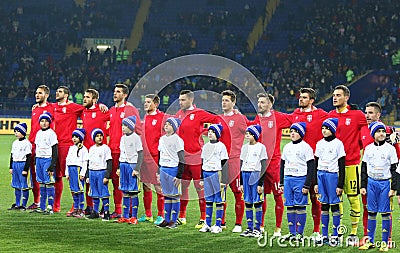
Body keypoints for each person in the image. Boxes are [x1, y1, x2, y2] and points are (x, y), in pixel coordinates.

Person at [175, 90, 226, 228]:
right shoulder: (178, 114)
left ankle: (203, 218)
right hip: (182, 158)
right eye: (179, 100)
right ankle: (182, 216)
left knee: (200, 187)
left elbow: (216, 120)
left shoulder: (199, 113)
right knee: (183, 187)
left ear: (191, 100)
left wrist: (207, 132)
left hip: (197, 157)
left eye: (183, 100)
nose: (180, 102)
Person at [328, 85, 367, 241]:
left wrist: (358, 148)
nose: (334, 97)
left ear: (346, 98)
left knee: (352, 198)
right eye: (333, 95)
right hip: (332, 166)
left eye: (338, 95)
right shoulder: (330, 115)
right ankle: (339, 231)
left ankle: (353, 232)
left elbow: (367, 134)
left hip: (351, 164)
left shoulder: (357, 115)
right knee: (337, 199)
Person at [252, 93, 292, 236]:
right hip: (259, 163)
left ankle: (278, 228)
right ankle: (260, 226)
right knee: (260, 195)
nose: (259, 105)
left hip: (274, 163)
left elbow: (295, 120)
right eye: (259, 102)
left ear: (269, 104)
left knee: (277, 196)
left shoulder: (278, 117)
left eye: (262, 102)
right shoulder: (257, 118)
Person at [291, 88, 328, 237]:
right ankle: (295, 232)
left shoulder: (320, 114)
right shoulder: (295, 114)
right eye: (300, 97)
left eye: (305, 97)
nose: (301, 99)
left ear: (311, 100)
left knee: (315, 197)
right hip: (296, 164)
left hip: (313, 162)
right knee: (296, 199)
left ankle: (316, 230)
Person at [359, 122, 398, 252]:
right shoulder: (368, 148)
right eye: (378, 131)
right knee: (371, 212)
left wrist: (394, 188)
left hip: (385, 184)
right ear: (373, 134)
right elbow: (363, 168)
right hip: (371, 183)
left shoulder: (390, 149)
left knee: (385, 213)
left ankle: (384, 242)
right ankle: (370, 241)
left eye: (383, 131)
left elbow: (395, 170)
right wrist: (362, 185)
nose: (381, 134)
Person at [108, 83, 142, 219]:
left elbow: (138, 130)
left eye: (118, 92)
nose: (115, 94)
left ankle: (129, 213)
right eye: (114, 91)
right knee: (115, 181)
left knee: (128, 183)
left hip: (127, 155)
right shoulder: (110, 110)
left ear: (125, 95)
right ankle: (118, 210)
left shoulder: (130, 109)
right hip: (113, 150)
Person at [279, 122, 314, 240]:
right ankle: (291, 233)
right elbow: (282, 165)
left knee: (300, 206)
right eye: (291, 131)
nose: (292, 133)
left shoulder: (306, 147)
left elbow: (311, 167)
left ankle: (300, 233)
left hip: (300, 179)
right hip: (288, 179)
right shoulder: (287, 147)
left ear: (301, 133)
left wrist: (307, 184)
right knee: (289, 206)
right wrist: (282, 182)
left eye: (295, 131)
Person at [52, 86, 85, 213]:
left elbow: (87, 110)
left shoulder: (73, 107)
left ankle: (75, 204)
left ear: (66, 95)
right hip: (55, 146)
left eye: (60, 92)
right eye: (56, 91)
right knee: (56, 176)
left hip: (68, 145)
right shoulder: (53, 107)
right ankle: (56, 205)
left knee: (72, 176)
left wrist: (100, 105)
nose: (57, 93)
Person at [314, 118, 346, 245]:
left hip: (332, 176)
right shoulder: (319, 144)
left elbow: (342, 165)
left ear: (332, 130)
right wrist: (316, 182)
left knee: (335, 205)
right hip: (321, 175)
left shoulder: (338, 144)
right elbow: (316, 163)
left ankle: (336, 235)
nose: (324, 130)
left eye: (327, 128)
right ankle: (324, 235)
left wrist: (340, 184)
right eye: (323, 128)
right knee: (324, 205)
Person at [219, 90, 247, 233]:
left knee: (237, 192)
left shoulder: (239, 118)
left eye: (227, 100)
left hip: (235, 160)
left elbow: (251, 131)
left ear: (233, 102)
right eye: (223, 100)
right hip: (221, 161)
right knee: (221, 192)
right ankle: (221, 222)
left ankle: (238, 224)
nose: (224, 102)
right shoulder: (218, 119)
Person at [81, 88, 110, 215]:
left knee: (102, 180)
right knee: (88, 179)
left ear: (94, 99)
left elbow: (114, 119)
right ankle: (90, 206)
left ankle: (105, 207)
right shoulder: (82, 111)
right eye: (84, 96)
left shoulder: (102, 110)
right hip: (87, 151)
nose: (84, 99)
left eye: (87, 97)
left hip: (101, 151)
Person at [138, 94, 165, 225]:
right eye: (145, 101)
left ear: (156, 104)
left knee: (158, 186)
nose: (146, 104)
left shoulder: (162, 118)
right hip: (144, 158)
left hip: (155, 157)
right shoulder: (144, 119)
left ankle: (161, 215)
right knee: (146, 186)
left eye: (148, 102)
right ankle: (148, 214)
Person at [198, 124, 229, 234]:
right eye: (209, 131)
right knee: (209, 200)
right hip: (206, 173)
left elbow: (225, 164)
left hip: (217, 174)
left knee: (219, 200)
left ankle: (218, 225)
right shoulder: (205, 146)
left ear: (218, 134)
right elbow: (202, 162)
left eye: (213, 132)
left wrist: (224, 181)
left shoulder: (221, 146)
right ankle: (207, 223)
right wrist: (201, 178)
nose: (210, 133)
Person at [28, 85, 54, 210]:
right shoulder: (34, 109)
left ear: (46, 95)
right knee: (34, 174)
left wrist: (99, 105)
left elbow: (66, 105)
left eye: (40, 93)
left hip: (46, 148)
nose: (37, 95)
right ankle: (37, 201)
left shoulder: (52, 107)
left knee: (49, 175)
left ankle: (52, 204)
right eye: (36, 93)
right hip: (32, 144)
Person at [156, 117, 185, 229]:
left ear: (174, 127)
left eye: (169, 124)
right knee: (167, 195)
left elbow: (181, 158)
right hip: (164, 168)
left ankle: (173, 220)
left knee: (174, 195)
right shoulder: (162, 139)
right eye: (166, 124)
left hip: (173, 169)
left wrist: (179, 175)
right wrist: (158, 171)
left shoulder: (177, 140)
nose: (166, 125)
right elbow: (160, 155)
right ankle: (166, 220)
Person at [239, 125, 267, 238]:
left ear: (255, 135)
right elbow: (241, 165)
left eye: (249, 134)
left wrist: (260, 183)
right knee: (248, 202)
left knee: (257, 202)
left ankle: (258, 228)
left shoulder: (261, 147)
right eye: (246, 134)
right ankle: (249, 227)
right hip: (245, 175)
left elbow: (264, 166)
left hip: (255, 175)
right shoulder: (244, 148)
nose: (247, 136)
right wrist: (241, 183)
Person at [114, 116, 143, 225]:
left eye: (125, 125)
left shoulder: (136, 138)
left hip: (132, 166)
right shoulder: (122, 138)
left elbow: (140, 154)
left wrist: (136, 169)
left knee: (133, 191)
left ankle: (134, 216)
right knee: (125, 191)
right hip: (123, 165)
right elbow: (121, 153)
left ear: (131, 127)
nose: (123, 127)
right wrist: (118, 167)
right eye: (122, 125)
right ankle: (125, 216)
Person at [33, 112, 58, 214]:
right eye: (42, 121)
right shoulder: (38, 133)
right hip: (39, 160)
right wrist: (35, 163)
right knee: (41, 183)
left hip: (47, 159)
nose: (44, 123)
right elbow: (36, 149)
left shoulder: (52, 133)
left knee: (49, 183)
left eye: (46, 121)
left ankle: (50, 207)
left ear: (49, 123)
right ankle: (42, 206)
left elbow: (55, 150)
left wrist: (52, 165)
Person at [86, 128, 112, 221]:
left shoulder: (106, 148)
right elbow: (89, 163)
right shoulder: (91, 149)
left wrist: (107, 175)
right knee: (94, 193)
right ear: (94, 138)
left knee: (104, 193)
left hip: (101, 172)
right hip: (93, 172)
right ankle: (95, 212)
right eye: (97, 136)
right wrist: (87, 175)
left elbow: (109, 162)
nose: (99, 137)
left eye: (101, 135)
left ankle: (106, 212)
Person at [65, 128, 89, 218]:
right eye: (73, 137)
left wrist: (82, 173)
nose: (74, 139)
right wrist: (67, 172)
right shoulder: (71, 148)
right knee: (74, 190)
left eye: (76, 137)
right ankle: (75, 208)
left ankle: (81, 209)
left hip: (78, 170)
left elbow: (85, 162)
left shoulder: (83, 149)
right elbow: (67, 161)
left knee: (80, 190)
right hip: (71, 170)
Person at [8, 123, 32, 211]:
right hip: (15, 164)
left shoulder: (27, 143)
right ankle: (17, 204)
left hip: (22, 164)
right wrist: (11, 167)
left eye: (18, 131)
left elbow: (29, 157)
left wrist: (25, 169)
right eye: (15, 131)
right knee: (16, 185)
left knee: (24, 185)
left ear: (23, 132)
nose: (16, 133)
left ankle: (24, 205)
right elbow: (12, 155)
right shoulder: (14, 143)